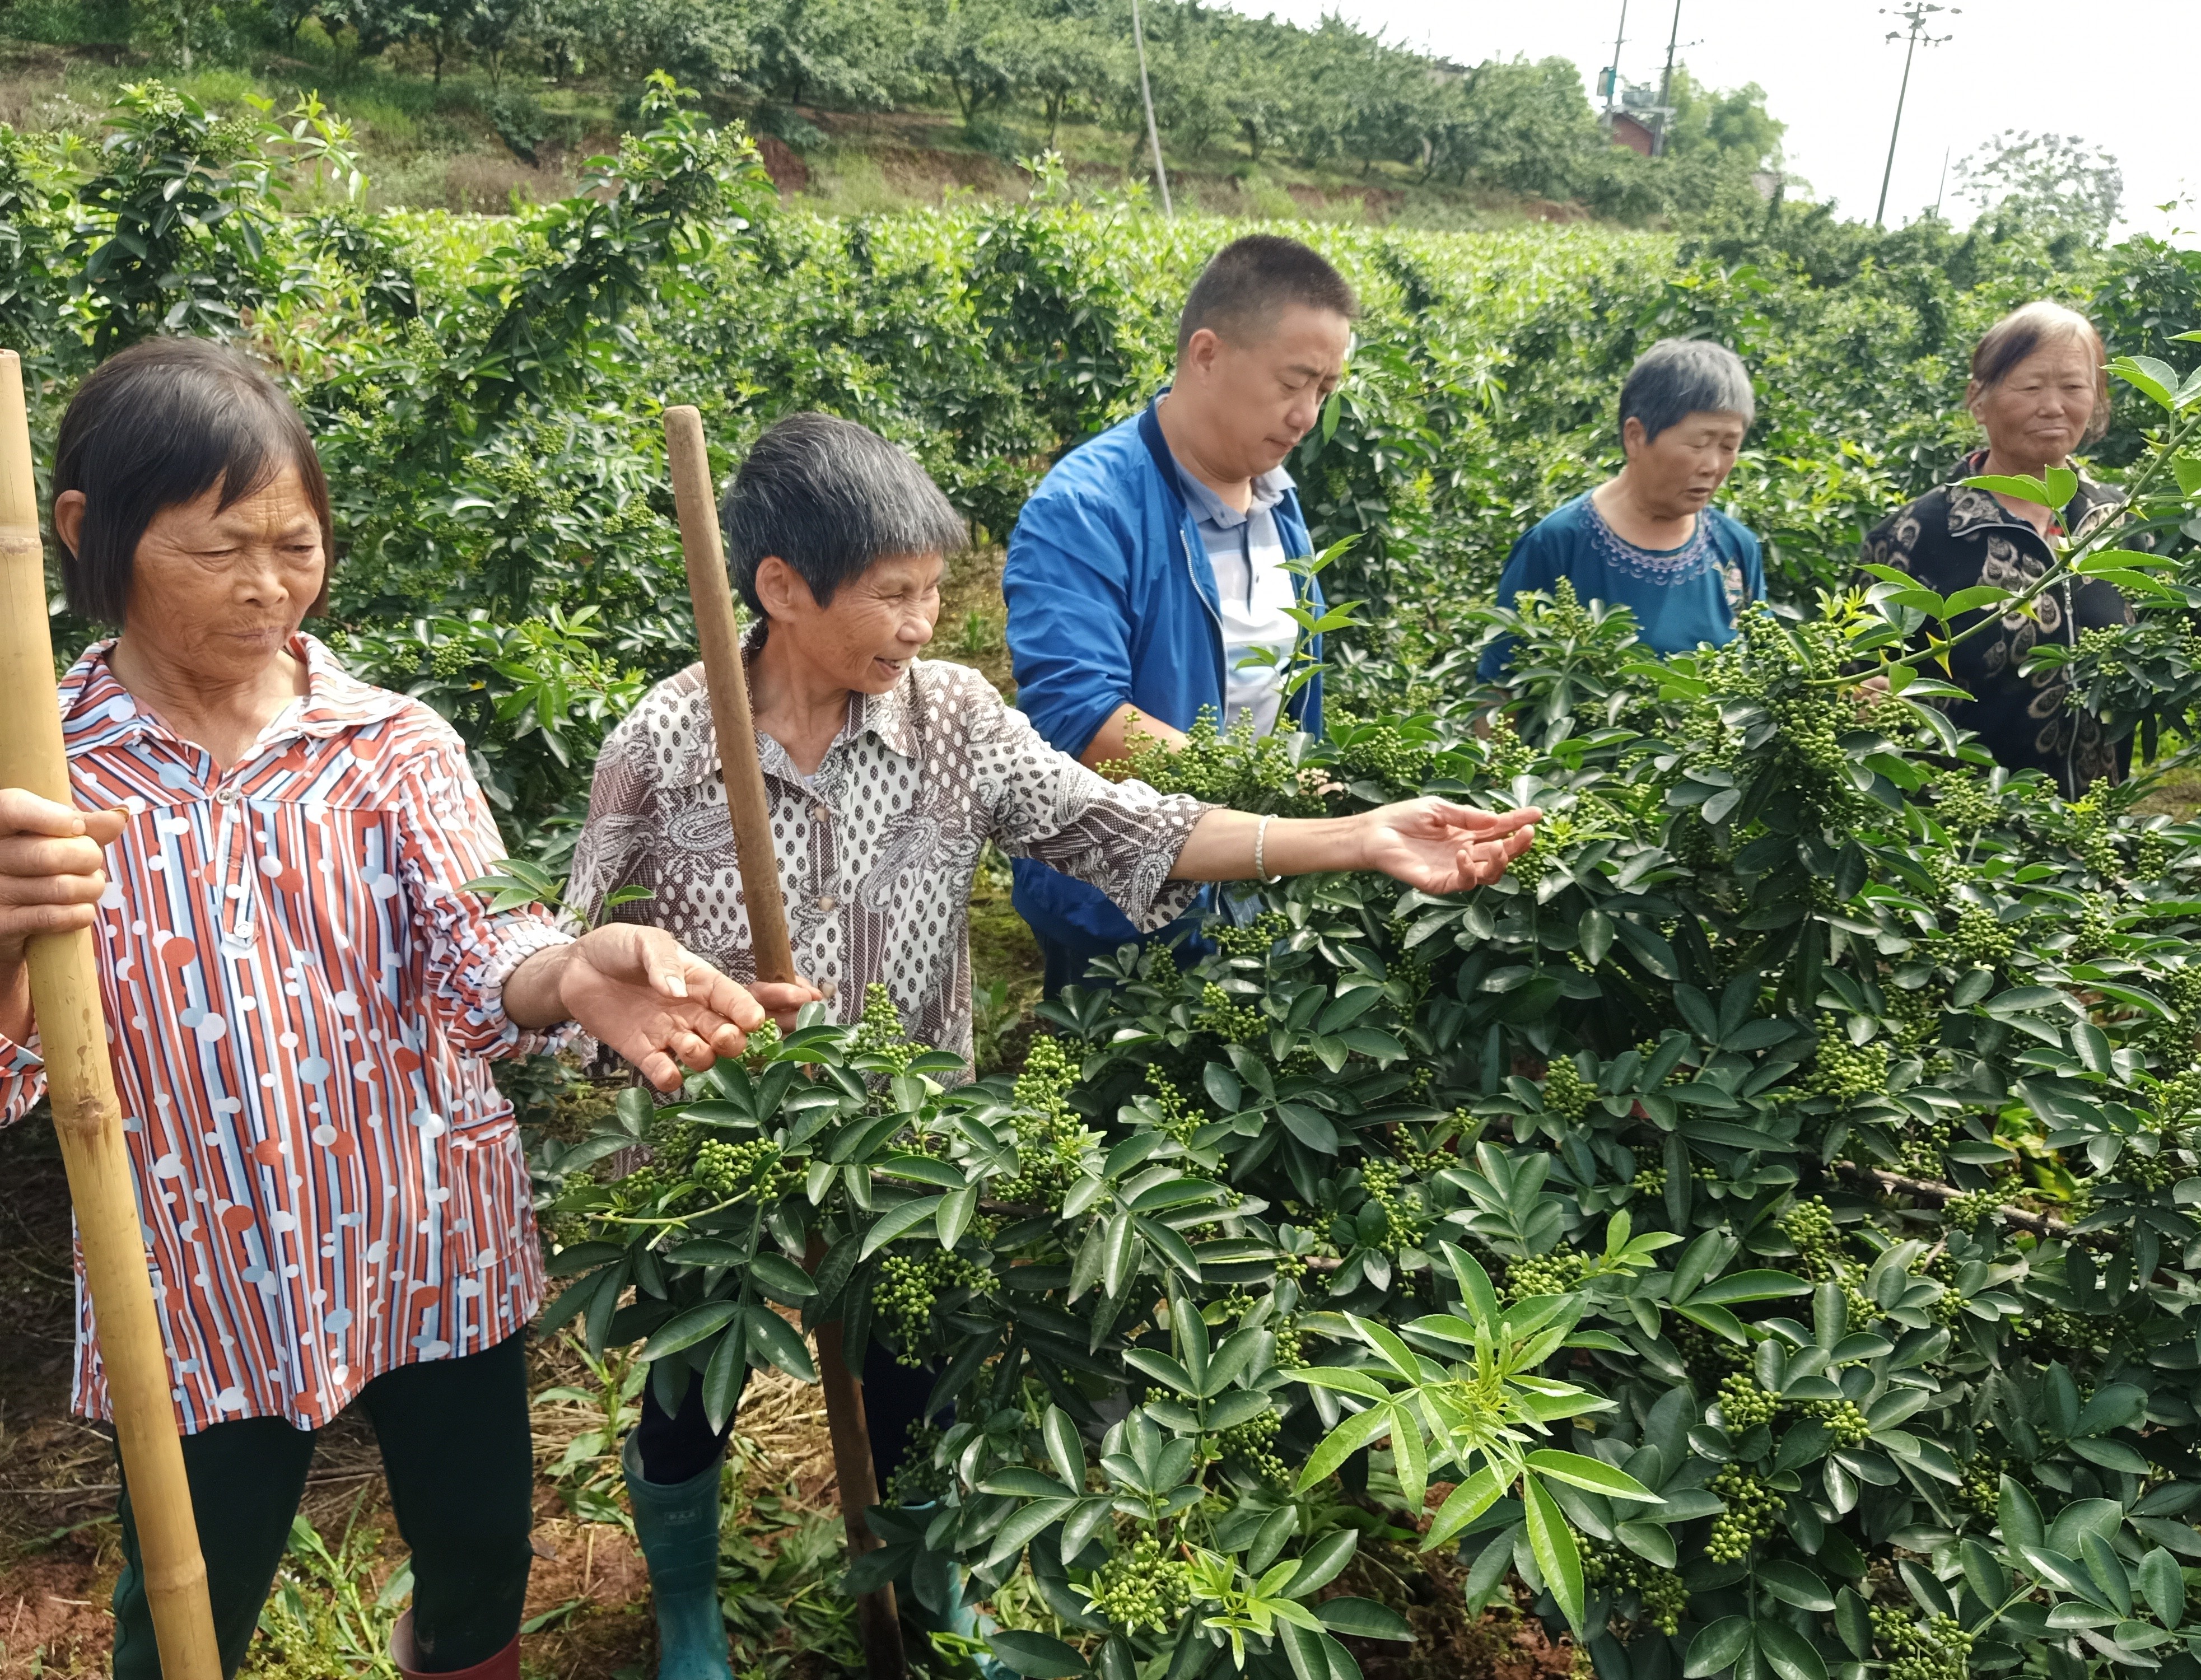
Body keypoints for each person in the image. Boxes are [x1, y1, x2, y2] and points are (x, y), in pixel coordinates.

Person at [565, 410, 1538, 1679]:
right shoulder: (666, 742)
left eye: (933, 591)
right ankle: (688, 1607)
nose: (923, 625)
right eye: (892, 596)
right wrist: (652, 1028)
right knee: (688, 1395)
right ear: (781, 588)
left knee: (914, 1388)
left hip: (903, 1152)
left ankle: (930, 1593)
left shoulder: (954, 721)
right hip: (714, 1156)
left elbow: (1122, 826)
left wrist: (1354, 835)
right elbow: (587, 950)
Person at [0, 339, 789, 1680]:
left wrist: (576, 973)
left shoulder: (389, 742)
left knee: (483, 1552)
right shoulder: (44, 779)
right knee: (189, 1594)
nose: (265, 587)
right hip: (200, 1274)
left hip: (430, 1235)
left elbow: (487, 946)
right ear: (88, 531)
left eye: (294, 544)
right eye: (215, 549)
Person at [1003, 234, 1355, 996]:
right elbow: (1079, 716)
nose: (1307, 414)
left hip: (1254, 879)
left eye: (1325, 390)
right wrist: (1266, 792)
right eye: (1295, 382)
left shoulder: (1279, 505)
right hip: (1122, 906)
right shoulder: (1084, 510)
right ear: (1206, 355)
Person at [1860, 301, 2130, 795]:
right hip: (1967, 842)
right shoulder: (1912, 537)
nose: (2053, 406)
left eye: (2073, 387)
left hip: (2102, 843)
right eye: (2030, 387)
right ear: (1978, 400)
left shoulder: (2121, 523)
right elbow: (1855, 685)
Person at [1476, 338, 1764, 679]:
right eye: (1699, 444)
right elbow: (1498, 689)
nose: (1713, 466)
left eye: (1729, 446)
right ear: (1636, 436)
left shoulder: (1736, 548)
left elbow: (1761, 675)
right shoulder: (1557, 544)